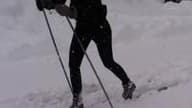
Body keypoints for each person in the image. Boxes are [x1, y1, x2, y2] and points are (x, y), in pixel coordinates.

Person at [55, 0, 136, 107]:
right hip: (83, 27)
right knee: (74, 64)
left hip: (99, 26)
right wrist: (47, 3)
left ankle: (127, 83)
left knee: (107, 62)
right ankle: (77, 100)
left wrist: (72, 12)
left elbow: (91, 7)